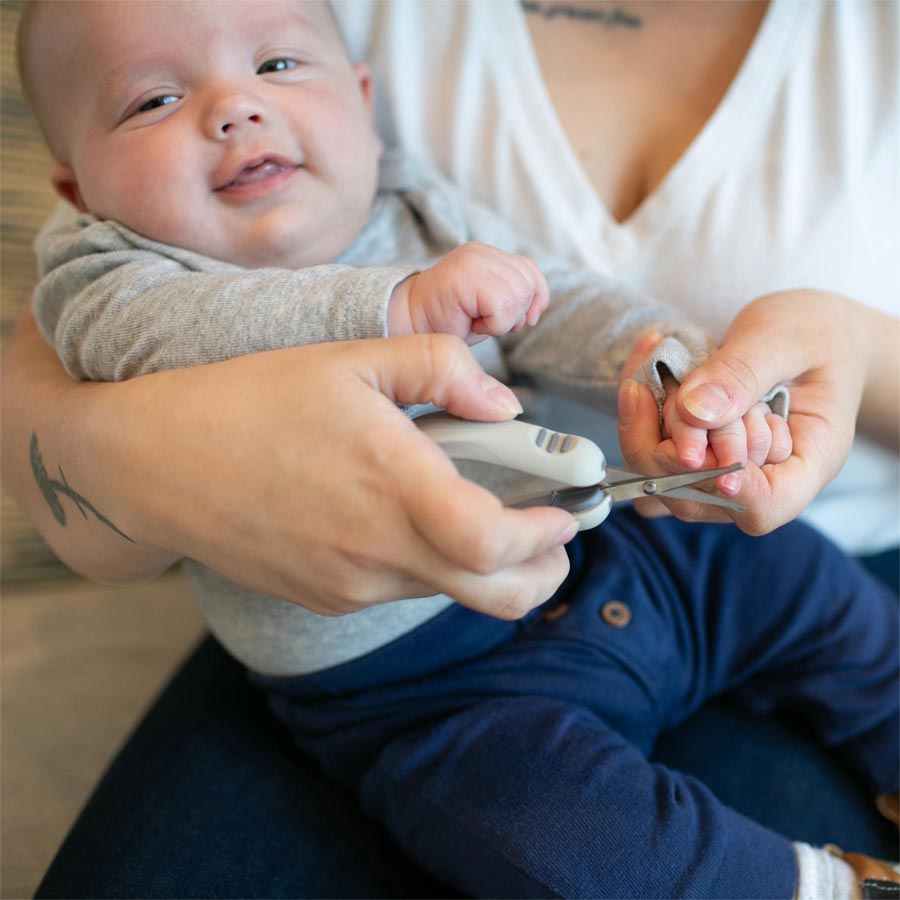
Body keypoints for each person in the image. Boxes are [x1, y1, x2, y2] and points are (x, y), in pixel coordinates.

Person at [9, 2, 898, 898]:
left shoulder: (415, 200)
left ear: (361, 100)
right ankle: (813, 886)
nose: (233, 108)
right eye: (154, 101)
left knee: (821, 598)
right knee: (558, 834)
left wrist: (657, 356)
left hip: (629, 540)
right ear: (80, 192)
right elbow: (142, 339)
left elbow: (554, 300)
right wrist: (392, 307)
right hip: (422, 684)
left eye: (277, 67)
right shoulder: (109, 276)